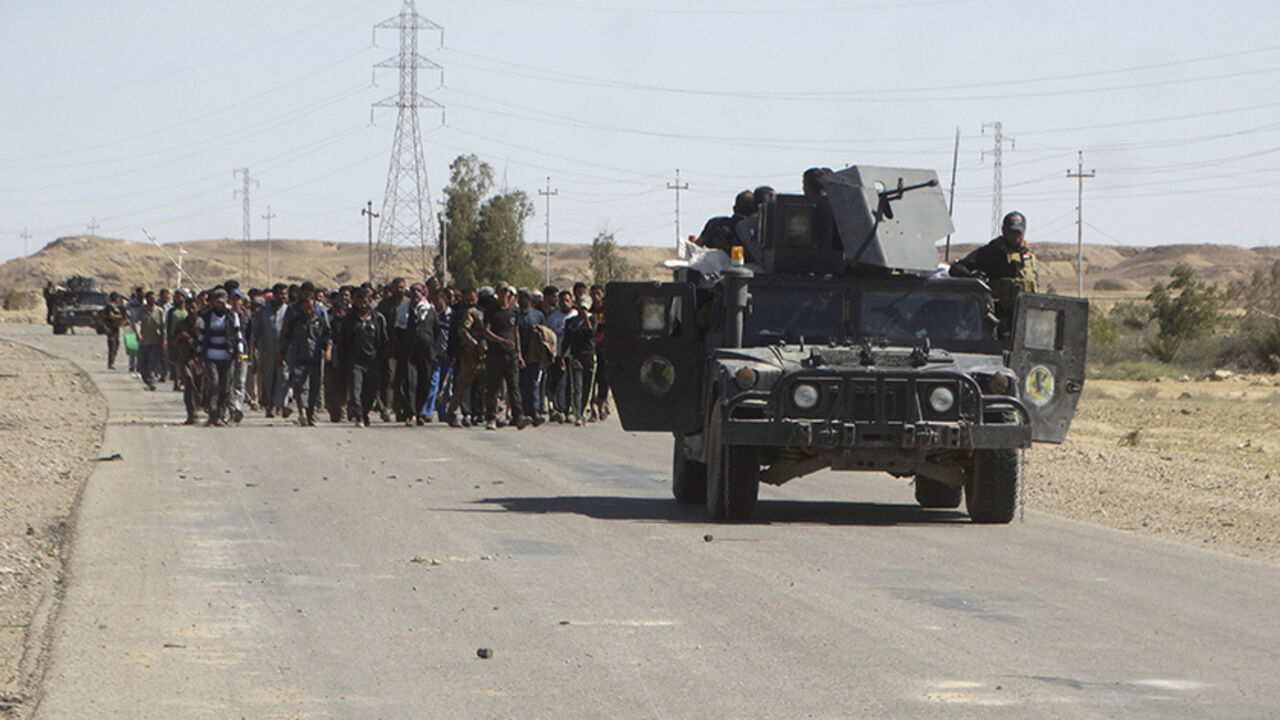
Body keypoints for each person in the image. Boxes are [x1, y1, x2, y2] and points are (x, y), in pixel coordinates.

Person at [949, 210, 1038, 336]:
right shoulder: (991, 252)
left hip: (1025, 319)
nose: (1016, 236)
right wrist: (972, 278)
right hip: (998, 319)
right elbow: (956, 268)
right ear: (1004, 231)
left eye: (1019, 232)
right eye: (1012, 232)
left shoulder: (1029, 254)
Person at [336, 287, 387, 427]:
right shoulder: (349, 320)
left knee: (370, 392)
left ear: (370, 301)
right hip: (355, 362)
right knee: (355, 391)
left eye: (365, 302)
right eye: (359, 302)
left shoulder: (378, 319)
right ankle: (358, 415)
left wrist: (383, 360)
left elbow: (383, 341)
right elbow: (343, 341)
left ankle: (365, 413)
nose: (362, 306)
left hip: (373, 361)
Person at [280, 284, 330, 426]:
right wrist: (282, 352)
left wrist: (328, 350)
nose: (309, 310)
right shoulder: (293, 314)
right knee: (302, 385)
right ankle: (302, 412)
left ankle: (310, 412)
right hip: (298, 356)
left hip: (315, 356)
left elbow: (327, 335)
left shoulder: (320, 314)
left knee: (315, 386)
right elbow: (285, 335)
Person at [194, 289, 245, 426]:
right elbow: (202, 337)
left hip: (227, 357)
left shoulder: (233, 316)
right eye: (217, 302)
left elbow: (238, 336)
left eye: (222, 302)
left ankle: (221, 414)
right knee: (214, 383)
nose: (220, 305)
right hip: (211, 357)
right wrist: (199, 355)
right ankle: (213, 414)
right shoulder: (206, 317)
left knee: (225, 387)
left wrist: (240, 352)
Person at [400, 282, 438, 426]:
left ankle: (421, 411)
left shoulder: (430, 311)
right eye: (413, 292)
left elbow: (437, 332)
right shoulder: (404, 311)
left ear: (423, 294)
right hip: (409, 353)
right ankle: (411, 414)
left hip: (427, 353)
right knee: (410, 383)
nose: (415, 294)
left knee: (425, 382)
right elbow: (398, 330)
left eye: (418, 292)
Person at [446, 288, 486, 428]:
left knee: (484, 386)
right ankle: (452, 412)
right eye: (468, 298)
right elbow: (463, 331)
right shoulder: (470, 314)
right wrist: (475, 345)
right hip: (470, 355)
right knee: (462, 385)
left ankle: (480, 413)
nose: (470, 301)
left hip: (484, 356)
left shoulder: (484, 312)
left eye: (473, 298)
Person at [252, 284, 290, 418]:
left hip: (284, 350)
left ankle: (279, 404)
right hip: (267, 350)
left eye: (285, 294)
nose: (284, 296)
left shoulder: (288, 311)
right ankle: (269, 405)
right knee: (268, 378)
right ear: (274, 295)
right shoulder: (263, 311)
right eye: (281, 294)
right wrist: (255, 347)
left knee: (283, 377)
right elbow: (256, 331)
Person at [563, 294, 597, 426]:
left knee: (588, 386)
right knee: (576, 386)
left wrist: (586, 319)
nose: (583, 310)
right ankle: (577, 413)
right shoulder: (571, 322)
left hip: (589, 356)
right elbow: (567, 340)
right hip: (575, 355)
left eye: (586, 308)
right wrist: (562, 355)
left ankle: (583, 412)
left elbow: (591, 334)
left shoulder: (592, 320)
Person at [136, 290, 166, 391]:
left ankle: (152, 381)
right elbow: (137, 323)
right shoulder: (141, 311)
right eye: (150, 299)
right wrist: (138, 333)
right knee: (142, 364)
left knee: (153, 362)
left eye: (153, 298)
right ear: (146, 299)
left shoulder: (160, 311)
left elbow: (163, 327)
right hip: (144, 341)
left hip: (155, 341)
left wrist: (163, 339)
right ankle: (147, 380)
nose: (152, 300)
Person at [98, 293, 126, 370]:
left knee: (116, 344)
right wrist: (120, 317)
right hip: (111, 328)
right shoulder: (109, 306)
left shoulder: (116, 307)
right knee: (112, 344)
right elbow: (111, 316)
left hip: (115, 327)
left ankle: (112, 362)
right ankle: (110, 363)